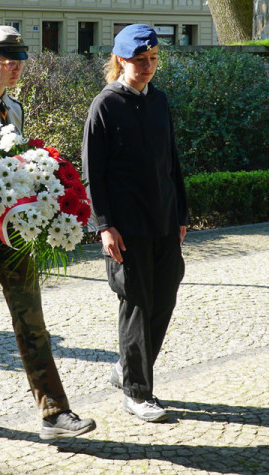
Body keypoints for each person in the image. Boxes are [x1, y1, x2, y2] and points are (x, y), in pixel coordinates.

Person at [0, 26, 97, 441]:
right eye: (7, 60)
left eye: (19, 59)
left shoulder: (15, 109)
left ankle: (55, 413)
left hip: (12, 222)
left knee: (31, 315)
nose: (15, 67)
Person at [81, 24, 189, 423]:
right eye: (140, 60)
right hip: (126, 227)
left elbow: (172, 163)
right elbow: (93, 171)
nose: (148, 67)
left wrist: (181, 214)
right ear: (121, 60)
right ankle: (138, 393)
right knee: (137, 303)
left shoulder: (159, 101)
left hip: (163, 220)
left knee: (164, 297)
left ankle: (128, 369)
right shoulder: (105, 105)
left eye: (153, 59)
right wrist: (104, 224)